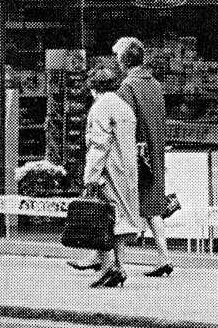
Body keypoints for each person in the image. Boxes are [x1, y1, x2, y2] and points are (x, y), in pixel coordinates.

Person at [111, 36, 173, 277]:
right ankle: (164, 257)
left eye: (118, 57)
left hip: (135, 155)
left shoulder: (127, 87)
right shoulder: (155, 84)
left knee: (124, 207)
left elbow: (125, 123)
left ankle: (118, 265)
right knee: (152, 207)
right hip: (154, 153)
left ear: (123, 60)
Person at [77, 68, 141, 288]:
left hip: (109, 171)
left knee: (102, 219)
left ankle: (107, 269)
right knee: (121, 220)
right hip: (127, 171)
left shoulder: (100, 107)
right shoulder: (125, 108)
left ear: (95, 88)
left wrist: (90, 177)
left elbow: (98, 144)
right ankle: (120, 267)